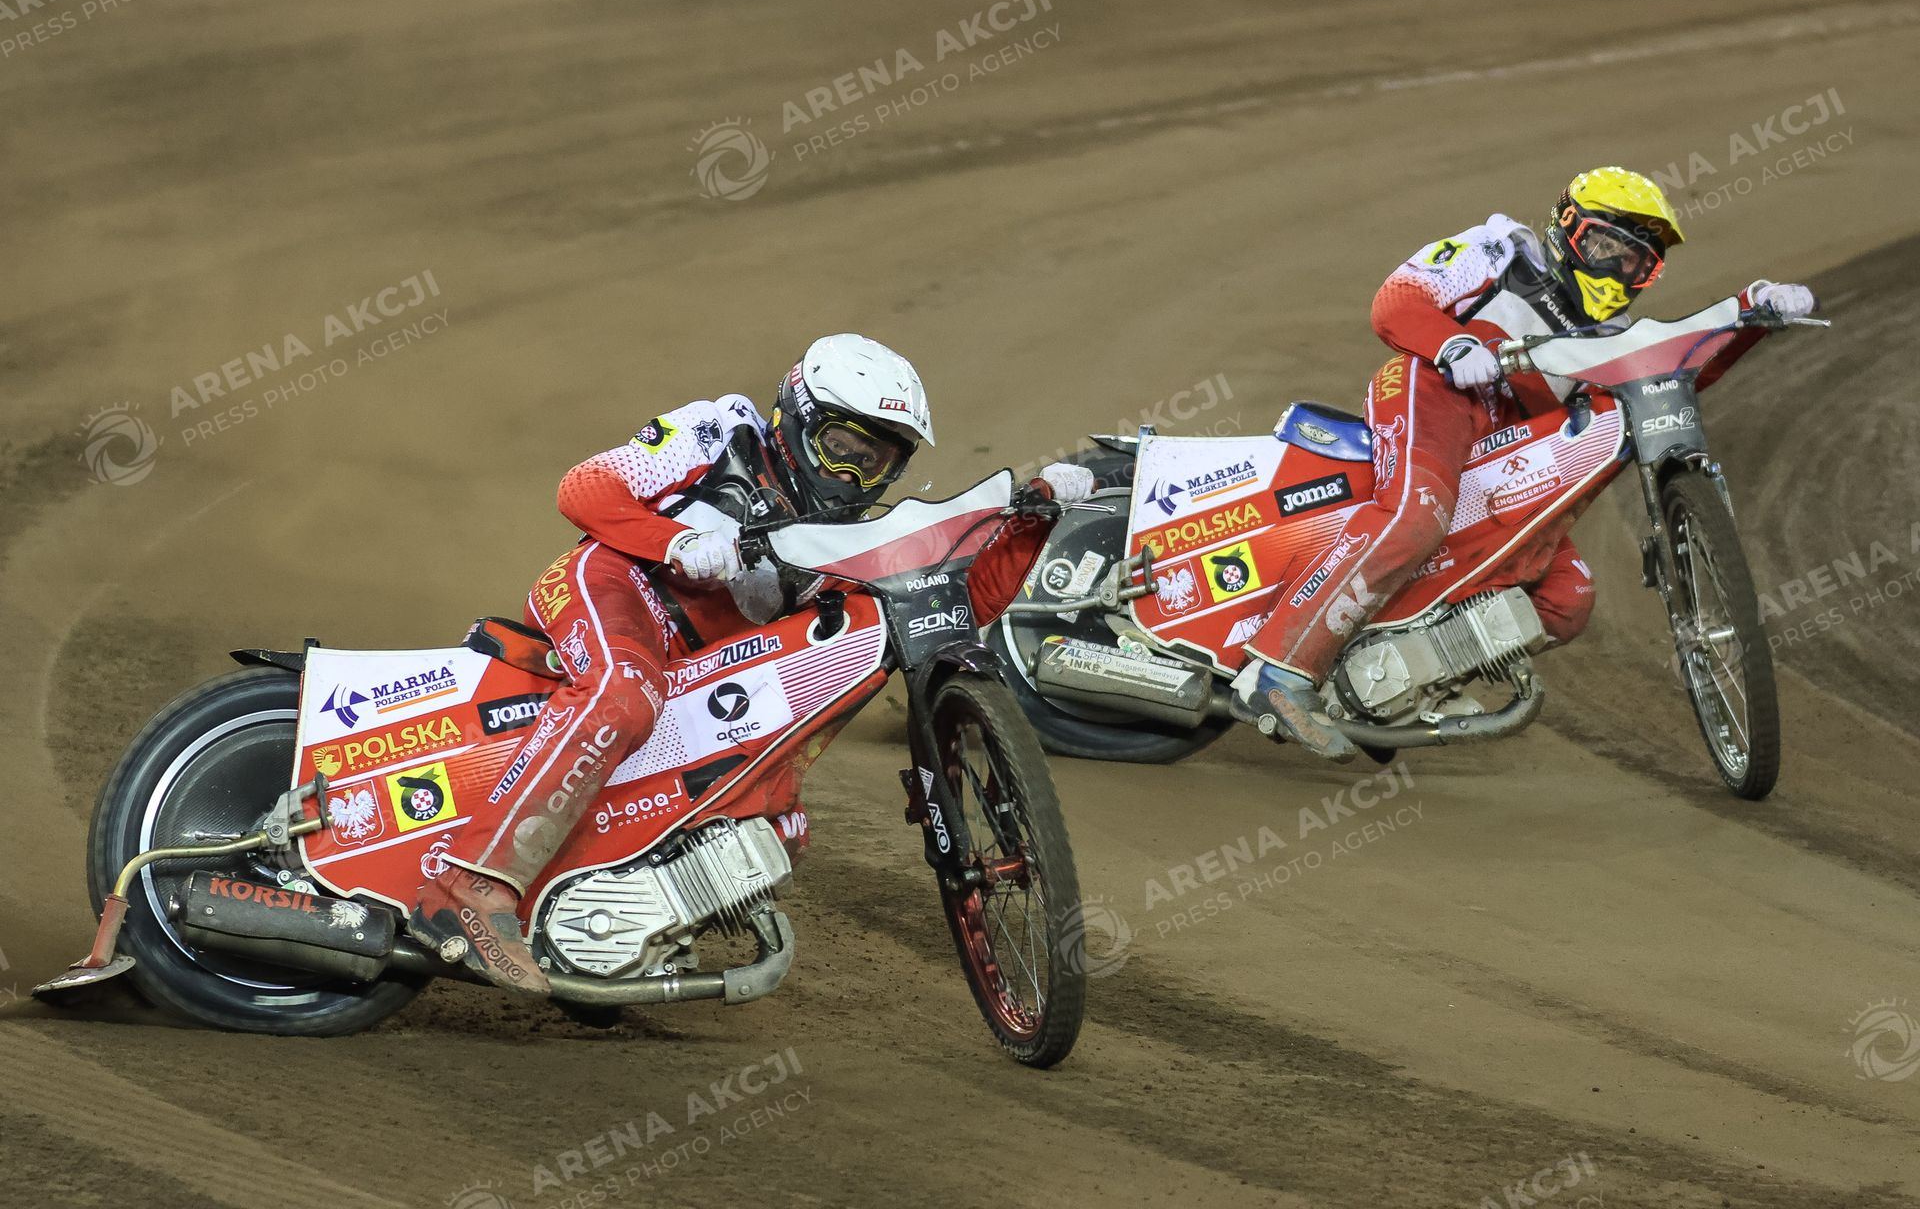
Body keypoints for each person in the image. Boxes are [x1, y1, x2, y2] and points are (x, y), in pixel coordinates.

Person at [409, 333, 1095, 992]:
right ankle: (470, 885)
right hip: (618, 585)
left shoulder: (855, 540)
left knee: (776, 821)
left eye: (878, 461)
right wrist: (675, 542)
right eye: (841, 448)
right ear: (797, 417)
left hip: (702, 668)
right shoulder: (721, 430)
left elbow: (961, 604)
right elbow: (584, 487)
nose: (853, 477)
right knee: (625, 693)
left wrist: (1033, 523)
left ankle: (605, 936)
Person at [1230, 167, 1818, 760]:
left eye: (1635, 263)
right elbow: (1395, 301)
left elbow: (1677, 373)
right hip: (1434, 392)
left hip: (1501, 461)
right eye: (1605, 247)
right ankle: (1278, 671)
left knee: (1567, 596)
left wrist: (1754, 314)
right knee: (1417, 515)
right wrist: (1453, 344)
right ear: (1566, 228)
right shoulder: (1501, 250)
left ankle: (1387, 687)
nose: (1616, 271)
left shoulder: (1612, 337)